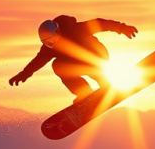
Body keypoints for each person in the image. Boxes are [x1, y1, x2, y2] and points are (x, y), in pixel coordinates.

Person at [9, 15, 138, 103]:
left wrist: (121, 28)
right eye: (47, 42)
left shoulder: (76, 30)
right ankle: (84, 93)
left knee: (90, 65)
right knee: (57, 65)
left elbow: (99, 24)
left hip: (97, 56)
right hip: (77, 63)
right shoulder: (49, 48)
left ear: (58, 31)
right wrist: (24, 74)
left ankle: (106, 86)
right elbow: (37, 61)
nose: (51, 43)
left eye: (52, 39)